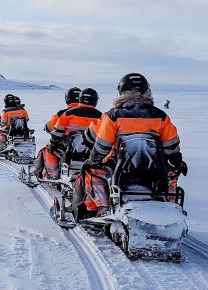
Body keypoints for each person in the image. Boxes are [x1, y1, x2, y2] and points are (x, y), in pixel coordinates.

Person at [74, 73, 184, 219]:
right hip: (155, 171)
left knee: (91, 170)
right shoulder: (161, 116)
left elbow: (102, 146)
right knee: (173, 172)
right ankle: (168, 202)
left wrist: (92, 161)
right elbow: (172, 147)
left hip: (122, 170)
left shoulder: (114, 115)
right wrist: (177, 163)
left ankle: (101, 208)